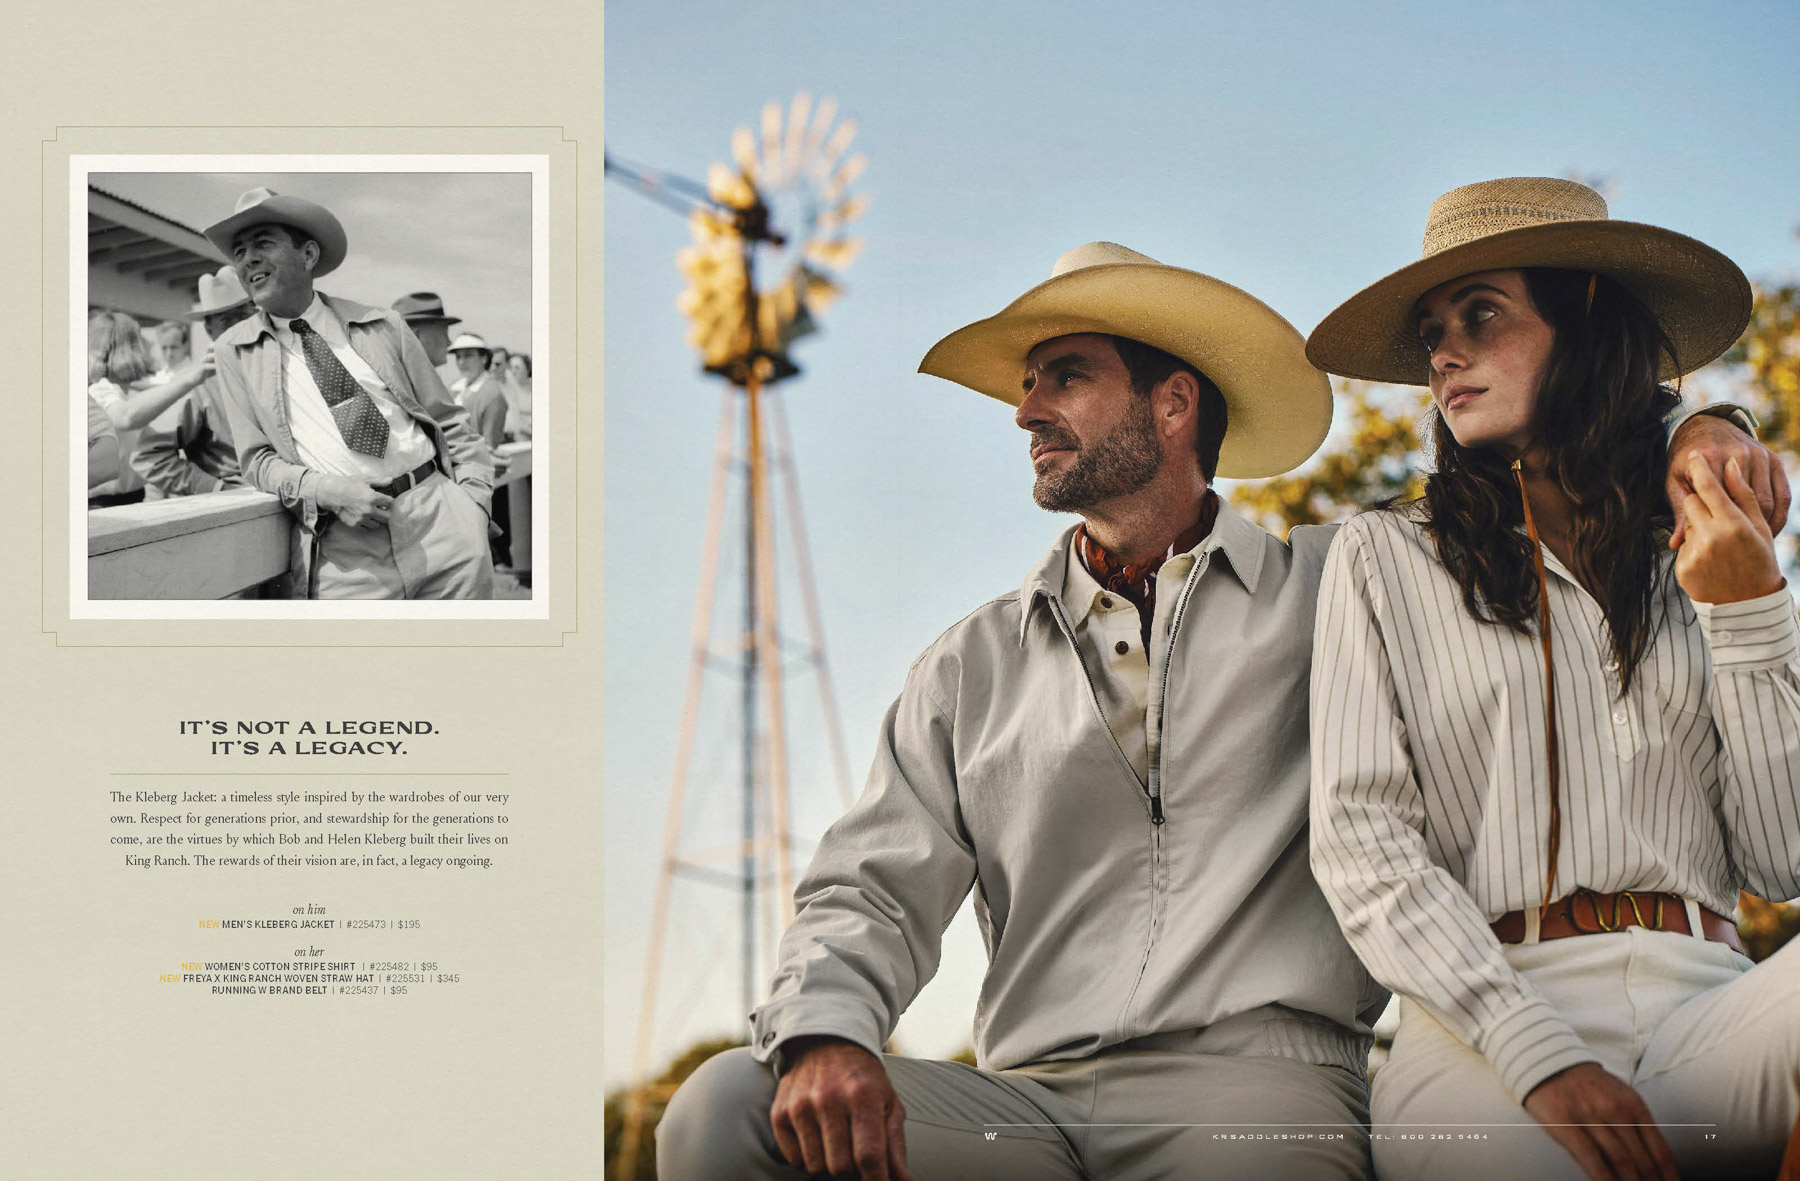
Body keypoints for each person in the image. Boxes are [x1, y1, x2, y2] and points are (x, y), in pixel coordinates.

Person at [1304, 177, 1800, 1181]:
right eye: (1434, 329)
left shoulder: (1701, 533)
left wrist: (1748, 611)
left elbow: (1782, 861)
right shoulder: (1383, 554)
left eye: (1481, 314)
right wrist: (1536, 1049)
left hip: (1710, 1003)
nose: (1444, 352)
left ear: (1583, 321)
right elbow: (1361, 838)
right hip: (1486, 1033)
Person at [205, 187, 495, 599]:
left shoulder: (383, 325)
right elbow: (257, 462)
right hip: (345, 552)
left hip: (442, 523)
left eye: (263, 243)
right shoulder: (233, 350)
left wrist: (473, 508)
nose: (248, 258)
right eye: (238, 251)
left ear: (307, 255)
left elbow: (451, 422)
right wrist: (326, 491)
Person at [134, 267, 258, 497]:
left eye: (243, 316)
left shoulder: (279, 368)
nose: (237, 327)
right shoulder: (197, 384)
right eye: (225, 320)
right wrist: (217, 489)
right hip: (236, 508)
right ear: (209, 329)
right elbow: (149, 457)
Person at [86, 311, 215, 508]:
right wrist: (194, 376)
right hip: (99, 504)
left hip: (135, 497)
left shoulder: (130, 391)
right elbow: (126, 417)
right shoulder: (99, 390)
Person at [447, 333, 508, 450]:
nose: (461, 362)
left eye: (468, 356)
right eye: (458, 357)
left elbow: (489, 444)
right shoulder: (453, 388)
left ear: (484, 358)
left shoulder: (492, 393)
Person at [502, 351, 533, 441]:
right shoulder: (510, 389)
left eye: (517, 368)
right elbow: (516, 422)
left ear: (527, 369)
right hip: (522, 434)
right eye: (511, 368)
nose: (514, 371)